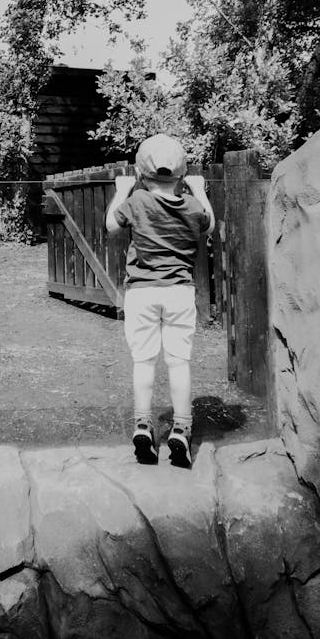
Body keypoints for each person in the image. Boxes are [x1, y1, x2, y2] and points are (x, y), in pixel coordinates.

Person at [105, 133, 215, 468]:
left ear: (140, 174)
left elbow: (111, 226)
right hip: (179, 291)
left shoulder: (136, 202)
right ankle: (181, 428)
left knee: (144, 361)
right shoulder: (193, 206)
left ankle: (143, 424)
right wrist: (200, 190)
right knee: (178, 362)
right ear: (182, 175)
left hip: (142, 292)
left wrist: (121, 191)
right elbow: (208, 226)